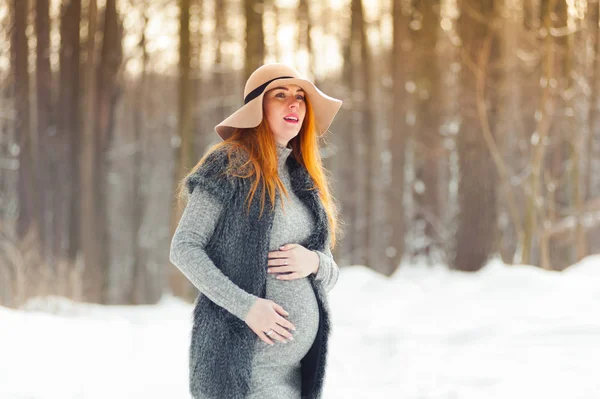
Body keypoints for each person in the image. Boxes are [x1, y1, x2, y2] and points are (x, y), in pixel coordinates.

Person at [169, 63, 343, 399]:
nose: (295, 104)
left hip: (293, 377)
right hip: (242, 371)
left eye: (300, 97)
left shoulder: (302, 179)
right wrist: (247, 307)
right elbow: (184, 248)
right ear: (256, 109)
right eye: (281, 95)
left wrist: (315, 263)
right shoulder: (229, 164)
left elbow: (331, 276)